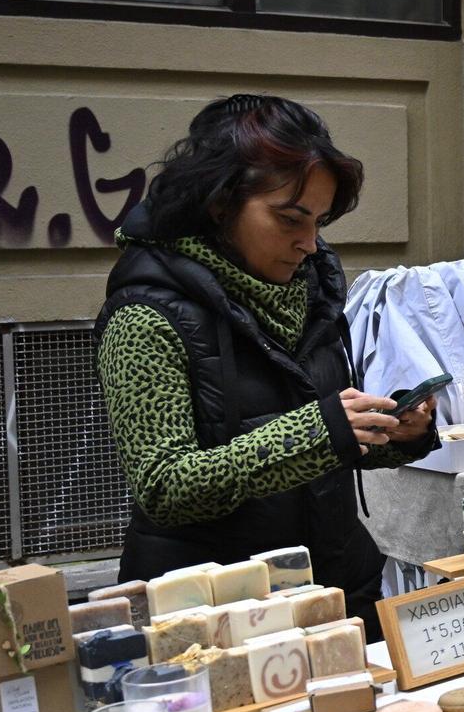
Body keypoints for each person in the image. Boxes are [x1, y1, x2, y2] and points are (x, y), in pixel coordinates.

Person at [97, 94, 439, 627]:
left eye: (320, 222)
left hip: (335, 594)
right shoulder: (145, 316)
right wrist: (319, 432)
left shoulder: (311, 292)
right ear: (218, 202)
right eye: (289, 219)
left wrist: (390, 435)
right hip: (212, 617)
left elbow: (318, 455)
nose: (309, 243)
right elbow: (163, 486)